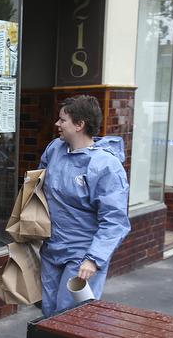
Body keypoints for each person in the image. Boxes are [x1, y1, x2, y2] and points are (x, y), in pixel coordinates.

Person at [38, 95, 131, 317]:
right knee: (49, 314)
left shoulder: (106, 166)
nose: (57, 124)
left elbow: (115, 220)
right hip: (52, 249)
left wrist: (93, 259)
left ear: (80, 125)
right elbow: (37, 183)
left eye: (63, 120)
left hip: (83, 256)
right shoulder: (55, 149)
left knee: (71, 316)